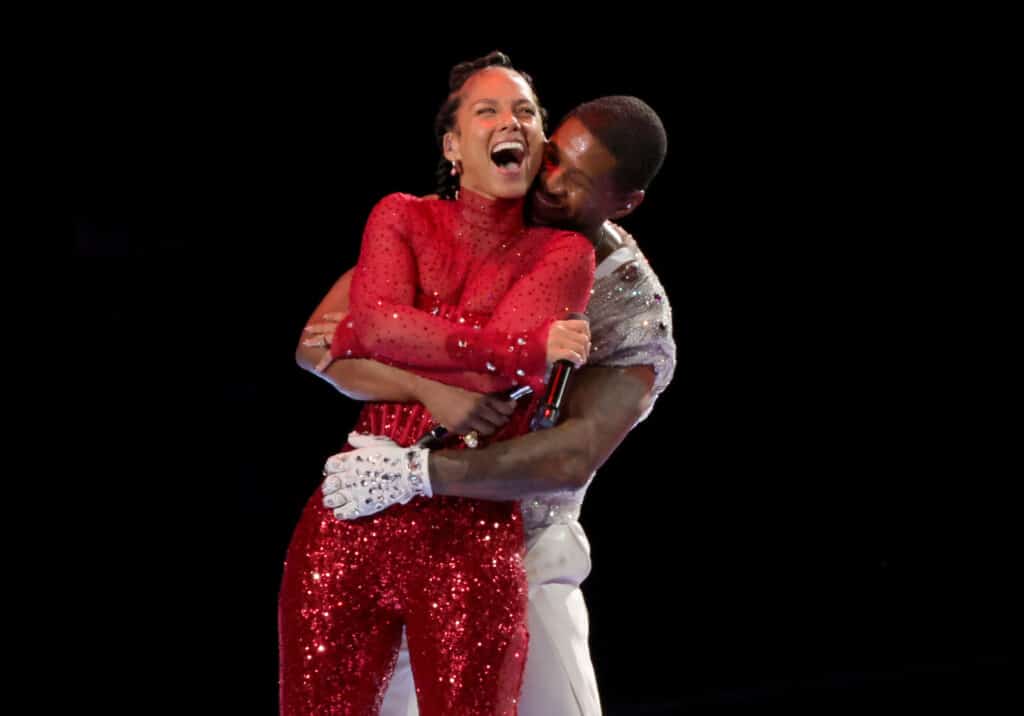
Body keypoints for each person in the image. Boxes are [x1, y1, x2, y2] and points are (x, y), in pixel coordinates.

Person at [305, 96, 672, 715]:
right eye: (551, 157)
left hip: (523, 552)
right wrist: (431, 391)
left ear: (624, 202)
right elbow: (320, 342)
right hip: (395, 535)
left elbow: (570, 456)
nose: (548, 184)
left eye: (576, 183)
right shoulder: (477, 215)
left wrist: (421, 475)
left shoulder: (632, 309)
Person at [278, 51, 596, 715]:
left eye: (526, 112)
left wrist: (393, 342)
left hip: (470, 531)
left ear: (542, 142)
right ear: (454, 145)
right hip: (350, 518)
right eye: (488, 110)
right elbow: (331, 341)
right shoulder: (401, 217)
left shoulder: (562, 253)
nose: (510, 121)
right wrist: (439, 388)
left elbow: (484, 371)